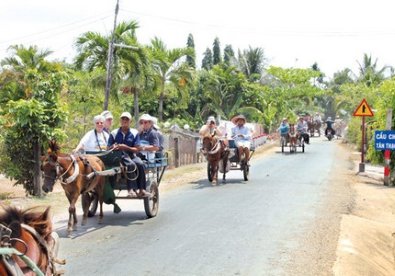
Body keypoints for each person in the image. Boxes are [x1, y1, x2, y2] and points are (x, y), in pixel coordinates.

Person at [107, 111, 149, 198]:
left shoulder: (134, 133)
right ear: (120, 121)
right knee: (130, 164)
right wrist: (114, 146)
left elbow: (137, 149)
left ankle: (142, 189)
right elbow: (108, 148)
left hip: (132, 155)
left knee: (140, 164)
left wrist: (125, 147)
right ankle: (131, 189)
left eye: (127, 119)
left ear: (130, 122)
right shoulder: (114, 133)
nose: (125, 121)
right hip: (118, 157)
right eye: (123, 119)